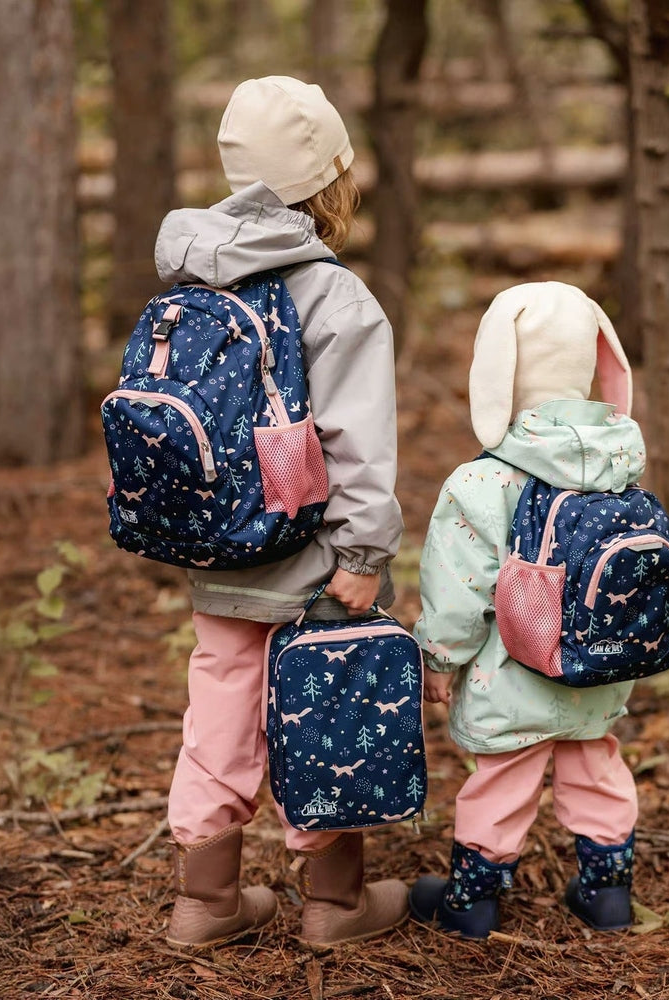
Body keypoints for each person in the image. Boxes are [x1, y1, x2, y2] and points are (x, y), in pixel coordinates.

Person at [154, 77, 407, 950]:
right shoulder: (333, 298)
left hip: (216, 548)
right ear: (330, 179)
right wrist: (365, 551)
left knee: (218, 706)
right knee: (326, 706)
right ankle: (334, 906)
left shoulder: (194, 274)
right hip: (311, 557)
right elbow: (360, 444)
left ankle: (205, 900)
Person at [409, 282, 645, 939]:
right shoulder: (619, 462)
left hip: (510, 674)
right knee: (595, 763)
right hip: (600, 665)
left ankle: (473, 901)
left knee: (504, 779)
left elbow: (458, 586)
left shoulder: (484, 481)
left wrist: (438, 658)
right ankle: (606, 892)